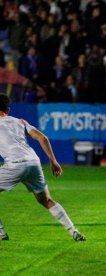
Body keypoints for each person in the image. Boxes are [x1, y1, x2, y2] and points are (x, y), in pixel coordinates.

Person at [0, 94, 86, 241]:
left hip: (15, 164)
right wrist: (53, 161)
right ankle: (73, 231)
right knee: (46, 200)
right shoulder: (20, 122)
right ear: (8, 109)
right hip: (33, 161)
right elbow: (42, 138)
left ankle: (1, 233)